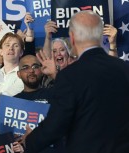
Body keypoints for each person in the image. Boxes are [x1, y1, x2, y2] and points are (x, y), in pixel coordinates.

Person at [24, 10, 129, 153]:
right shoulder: (123, 68)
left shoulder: (69, 76)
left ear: (72, 38)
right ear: (99, 36)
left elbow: (56, 125)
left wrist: (30, 141)